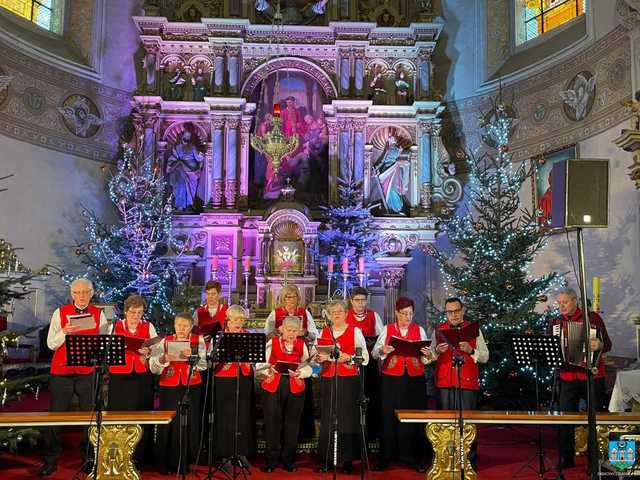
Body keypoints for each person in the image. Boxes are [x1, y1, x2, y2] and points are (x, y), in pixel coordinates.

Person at [40, 278, 109, 477]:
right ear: (72, 294)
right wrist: (64, 332)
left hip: (87, 372)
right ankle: (50, 460)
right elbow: (51, 344)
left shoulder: (99, 315)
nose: (81, 296)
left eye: (85, 292)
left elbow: (104, 344)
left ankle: (88, 459)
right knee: (55, 417)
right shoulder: (59, 313)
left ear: (91, 293)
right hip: (61, 372)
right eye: (77, 292)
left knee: (89, 416)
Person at [549, 287, 611, 469]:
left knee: (595, 418)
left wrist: (599, 344)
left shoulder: (592, 319)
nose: (561, 307)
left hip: (591, 375)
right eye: (559, 303)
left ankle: (595, 461)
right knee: (565, 420)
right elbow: (550, 347)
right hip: (567, 376)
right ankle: (566, 459)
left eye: (565, 302)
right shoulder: (555, 323)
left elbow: (607, 344)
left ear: (575, 301)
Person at [372, 297, 429, 472]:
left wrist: (428, 354)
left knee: (414, 416)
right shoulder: (388, 329)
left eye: (410, 314)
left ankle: (413, 457)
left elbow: (426, 358)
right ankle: (386, 457)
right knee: (389, 416)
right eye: (404, 314)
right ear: (397, 313)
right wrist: (382, 350)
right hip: (392, 378)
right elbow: (375, 353)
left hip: (414, 379)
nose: (407, 317)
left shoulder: (418, 330)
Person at [315, 300, 369, 473]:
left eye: (339, 311)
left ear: (346, 313)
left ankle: (347, 461)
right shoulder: (324, 331)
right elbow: (318, 357)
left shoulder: (355, 331)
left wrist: (349, 358)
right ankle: (327, 459)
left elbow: (365, 358)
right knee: (328, 417)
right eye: (333, 312)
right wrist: (318, 359)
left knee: (347, 419)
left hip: (348, 380)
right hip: (329, 379)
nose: (336, 314)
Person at [150, 312, 207, 475]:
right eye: (179, 325)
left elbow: (203, 365)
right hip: (169, 385)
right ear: (174, 325)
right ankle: (164, 463)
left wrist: (193, 357)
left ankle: (183, 463)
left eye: (185, 326)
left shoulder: (198, 340)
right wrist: (162, 359)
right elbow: (153, 366)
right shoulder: (165, 341)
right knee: (169, 423)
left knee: (187, 423)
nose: (181, 328)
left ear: (190, 327)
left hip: (191, 386)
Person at [256, 316, 312, 473]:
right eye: (289, 330)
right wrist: (269, 369)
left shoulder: (302, 345)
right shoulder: (271, 343)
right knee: (272, 422)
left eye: (295, 331)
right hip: (274, 385)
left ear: (299, 332)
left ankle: (288, 459)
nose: (291, 334)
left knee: (292, 424)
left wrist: (301, 372)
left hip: (295, 385)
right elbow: (260, 365)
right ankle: (271, 460)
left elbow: (309, 366)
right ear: (282, 329)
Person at [107, 294, 157, 466]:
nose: (136, 316)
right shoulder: (115, 326)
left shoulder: (148, 326)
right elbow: (106, 350)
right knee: (120, 416)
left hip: (141, 377)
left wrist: (148, 352)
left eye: (140, 312)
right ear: (126, 312)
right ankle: (119, 454)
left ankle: (140, 457)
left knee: (141, 414)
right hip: (120, 378)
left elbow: (157, 350)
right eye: (133, 312)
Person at [264, 285, 319, 439]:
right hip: (280, 358)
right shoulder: (275, 314)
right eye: (287, 297)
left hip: (299, 358)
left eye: (293, 297)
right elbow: (266, 335)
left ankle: (302, 434)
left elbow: (315, 335)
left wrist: (305, 332)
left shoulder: (305, 313)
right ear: (283, 299)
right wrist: (277, 332)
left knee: (300, 397)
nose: (290, 300)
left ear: (298, 299)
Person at [212, 305, 254, 468]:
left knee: (242, 415)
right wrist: (222, 359)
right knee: (225, 416)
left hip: (242, 377)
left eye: (242, 319)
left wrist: (250, 361)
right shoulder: (220, 336)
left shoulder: (248, 335)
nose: (239, 322)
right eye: (236, 319)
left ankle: (241, 452)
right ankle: (225, 455)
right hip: (224, 378)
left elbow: (254, 359)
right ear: (228, 320)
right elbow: (211, 359)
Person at [429, 297, 489, 410]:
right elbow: (428, 358)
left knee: (467, 422)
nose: (454, 315)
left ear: (462, 311)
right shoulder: (438, 330)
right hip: (444, 383)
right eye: (450, 312)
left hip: (467, 383)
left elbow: (485, 357)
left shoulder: (475, 330)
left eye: (456, 311)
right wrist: (437, 351)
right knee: (444, 423)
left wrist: (471, 350)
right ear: (446, 313)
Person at [346, 287, 383, 440]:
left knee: (371, 395)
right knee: (353, 396)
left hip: (369, 364)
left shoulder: (374, 316)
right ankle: (354, 432)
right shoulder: (346, 316)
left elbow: (381, 339)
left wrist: (371, 343)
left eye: (363, 300)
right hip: (350, 363)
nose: (360, 304)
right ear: (351, 301)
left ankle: (371, 432)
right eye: (357, 300)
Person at [167, 129, 203, 210]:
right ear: (181, 136)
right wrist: (175, 164)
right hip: (181, 171)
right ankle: (181, 206)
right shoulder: (177, 148)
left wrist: (201, 154)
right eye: (185, 136)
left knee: (192, 189)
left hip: (192, 172)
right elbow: (173, 159)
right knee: (181, 186)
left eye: (188, 137)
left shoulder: (193, 148)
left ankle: (190, 204)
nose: (186, 139)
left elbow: (198, 158)